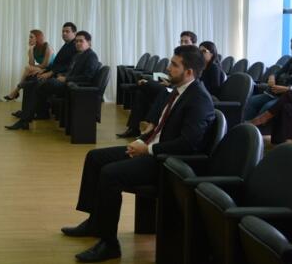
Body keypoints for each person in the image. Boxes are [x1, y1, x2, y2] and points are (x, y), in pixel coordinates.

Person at [60, 45, 215, 262]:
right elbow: (160, 128)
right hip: (153, 150)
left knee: (110, 174)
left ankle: (109, 244)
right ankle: (95, 222)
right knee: (94, 158)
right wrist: (142, 140)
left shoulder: (199, 99)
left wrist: (148, 149)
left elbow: (187, 144)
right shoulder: (179, 91)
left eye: (174, 64)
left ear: (189, 72)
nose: (168, 68)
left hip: (168, 163)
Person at [6, 30, 99, 130]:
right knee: (31, 84)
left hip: (72, 87)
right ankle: (25, 118)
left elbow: (87, 77)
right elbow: (71, 71)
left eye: (81, 41)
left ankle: (25, 119)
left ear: (89, 42)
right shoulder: (78, 55)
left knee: (37, 85)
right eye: (76, 41)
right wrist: (61, 75)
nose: (78, 44)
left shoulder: (91, 56)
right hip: (65, 82)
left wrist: (66, 78)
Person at [116, 31, 197, 138]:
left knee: (159, 90)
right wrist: (169, 81)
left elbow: (191, 82)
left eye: (186, 41)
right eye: (181, 41)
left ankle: (150, 128)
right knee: (142, 93)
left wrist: (170, 85)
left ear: (194, 44)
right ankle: (133, 128)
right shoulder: (180, 56)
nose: (182, 44)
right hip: (171, 87)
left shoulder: (195, 60)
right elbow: (178, 78)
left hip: (177, 92)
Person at [243, 35, 292, 122]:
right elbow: (278, 73)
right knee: (251, 101)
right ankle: (245, 127)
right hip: (275, 94)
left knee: (268, 107)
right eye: (291, 49)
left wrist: (287, 89)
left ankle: (257, 131)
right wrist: (272, 77)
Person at [11, 22, 77, 117]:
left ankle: (30, 113)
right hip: (54, 72)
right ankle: (32, 112)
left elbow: (69, 65)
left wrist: (50, 72)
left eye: (67, 31)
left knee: (31, 82)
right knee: (30, 77)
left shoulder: (74, 46)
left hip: (61, 76)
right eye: (63, 31)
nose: (64, 33)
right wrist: (44, 70)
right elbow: (56, 63)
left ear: (74, 33)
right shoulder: (66, 45)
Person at [3, 29, 53, 101]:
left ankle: (16, 91)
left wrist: (34, 67)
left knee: (27, 68)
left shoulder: (47, 47)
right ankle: (17, 92)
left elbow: (45, 65)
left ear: (38, 38)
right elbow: (31, 63)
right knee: (28, 70)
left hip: (51, 69)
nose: (29, 39)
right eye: (29, 37)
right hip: (43, 69)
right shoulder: (32, 49)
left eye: (31, 37)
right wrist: (31, 50)